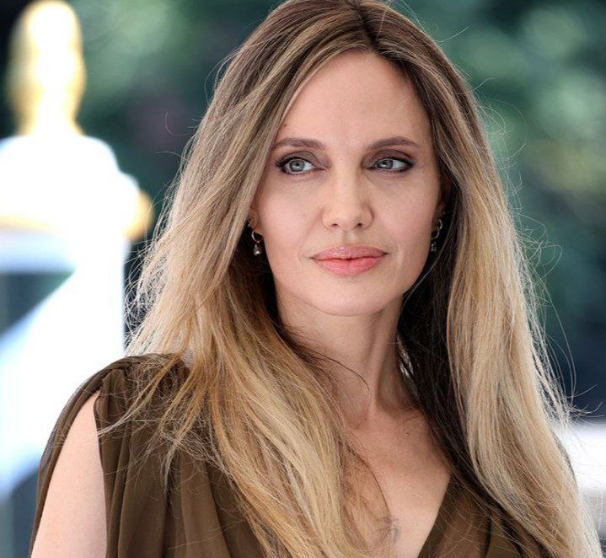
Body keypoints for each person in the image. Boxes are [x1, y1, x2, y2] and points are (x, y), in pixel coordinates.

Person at [29, 0, 602, 557]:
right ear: (248, 201)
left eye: (389, 162)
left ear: (443, 196)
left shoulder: (516, 474)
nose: (347, 210)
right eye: (298, 164)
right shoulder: (127, 430)